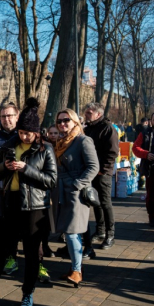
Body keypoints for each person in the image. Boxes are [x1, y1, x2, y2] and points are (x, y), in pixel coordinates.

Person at [0, 98, 56, 306]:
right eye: (22, 132)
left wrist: (26, 169)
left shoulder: (46, 149)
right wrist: (5, 167)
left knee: (32, 252)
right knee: (2, 248)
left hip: (35, 208)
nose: (24, 136)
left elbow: (51, 180)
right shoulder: (8, 144)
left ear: (37, 133)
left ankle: (28, 293)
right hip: (10, 203)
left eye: (28, 133)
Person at [54, 109, 99, 287]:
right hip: (62, 190)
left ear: (75, 122)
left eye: (66, 120)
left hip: (75, 193)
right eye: (59, 121)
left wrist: (77, 184)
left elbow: (93, 167)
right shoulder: (60, 141)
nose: (62, 124)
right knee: (69, 232)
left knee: (73, 232)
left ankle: (77, 271)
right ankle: (74, 268)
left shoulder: (83, 140)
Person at [82, 102, 119, 254]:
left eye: (89, 113)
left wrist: (101, 170)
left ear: (98, 114)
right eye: (86, 112)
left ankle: (110, 234)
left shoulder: (108, 129)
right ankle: (100, 230)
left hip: (102, 173)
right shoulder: (88, 128)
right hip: (91, 172)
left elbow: (112, 153)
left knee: (105, 202)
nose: (86, 115)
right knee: (95, 202)